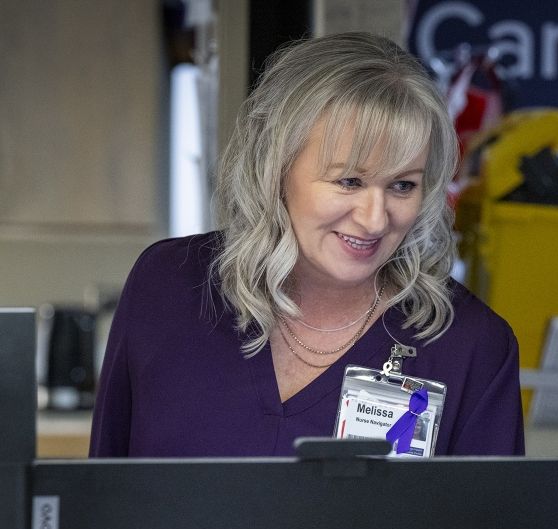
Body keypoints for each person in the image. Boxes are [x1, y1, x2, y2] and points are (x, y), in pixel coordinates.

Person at [89, 32, 525, 457]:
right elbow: (102, 499)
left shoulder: (469, 345)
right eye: (348, 181)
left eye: (402, 185)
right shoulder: (168, 287)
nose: (375, 219)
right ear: (276, 169)